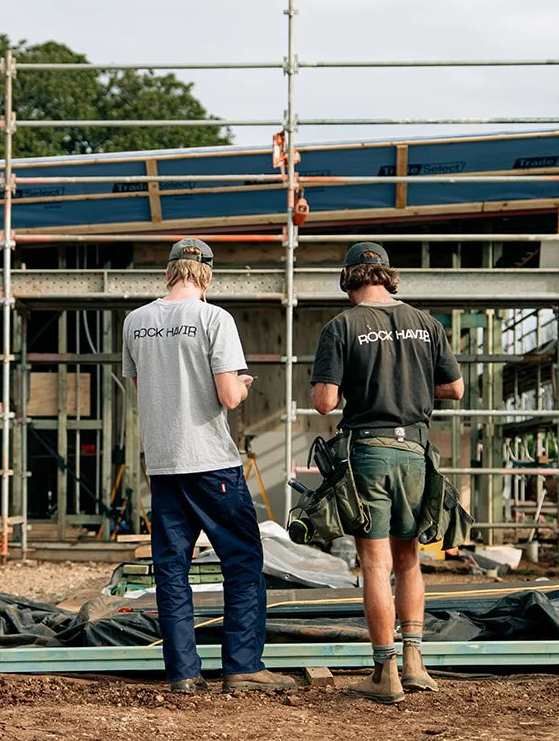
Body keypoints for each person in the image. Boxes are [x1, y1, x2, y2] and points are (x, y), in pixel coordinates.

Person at [122, 238, 297, 694]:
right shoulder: (214, 318)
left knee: (171, 567)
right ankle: (242, 667)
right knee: (241, 560)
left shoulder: (135, 322)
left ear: (169, 272)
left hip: (162, 463)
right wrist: (243, 384)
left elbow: (143, 385)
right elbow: (227, 396)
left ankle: (182, 673)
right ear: (207, 276)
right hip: (210, 462)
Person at [310, 242, 464, 704]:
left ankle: (385, 671)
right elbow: (454, 388)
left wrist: (361, 381)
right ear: (387, 276)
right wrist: (412, 383)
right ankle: (416, 662)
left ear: (348, 279)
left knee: (375, 565)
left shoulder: (342, 326)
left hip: (370, 455)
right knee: (409, 560)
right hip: (416, 452)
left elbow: (324, 403)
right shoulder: (426, 324)